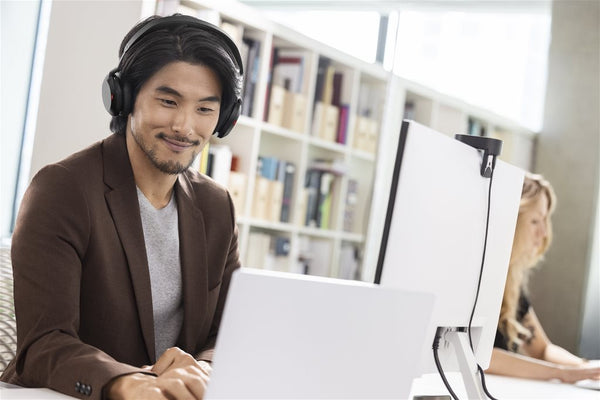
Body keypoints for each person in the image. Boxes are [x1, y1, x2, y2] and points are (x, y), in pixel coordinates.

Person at [1, 14, 244, 400]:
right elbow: (43, 344)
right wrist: (126, 382)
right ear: (124, 97)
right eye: (168, 101)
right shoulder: (62, 189)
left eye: (205, 109)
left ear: (225, 118)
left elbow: (228, 331)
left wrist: (203, 371)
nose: (185, 126)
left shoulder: (217, 207)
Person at [487, 173, 600, 384]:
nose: (544, 232)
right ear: (511, 220)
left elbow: (542, 349)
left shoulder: (511, 284)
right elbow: (483, 358)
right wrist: (560, 372)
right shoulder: (479, 279)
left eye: (545, 220)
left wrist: (585, 368)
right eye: (535, 221)